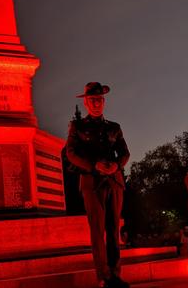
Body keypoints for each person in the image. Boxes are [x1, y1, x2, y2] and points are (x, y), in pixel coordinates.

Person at [66, 82, 130, 288]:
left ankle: (116, 274)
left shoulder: (114, 127)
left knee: (113, 229)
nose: (97, 103)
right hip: (92, 182)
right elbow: (71, 153)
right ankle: (104, 277)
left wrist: (116, 165)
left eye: (100, 100)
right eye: (93, 100)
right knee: (97, 230)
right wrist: (94, 165)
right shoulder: (78, 127)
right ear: (86, 102)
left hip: (114, 181)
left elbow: (125, 152)